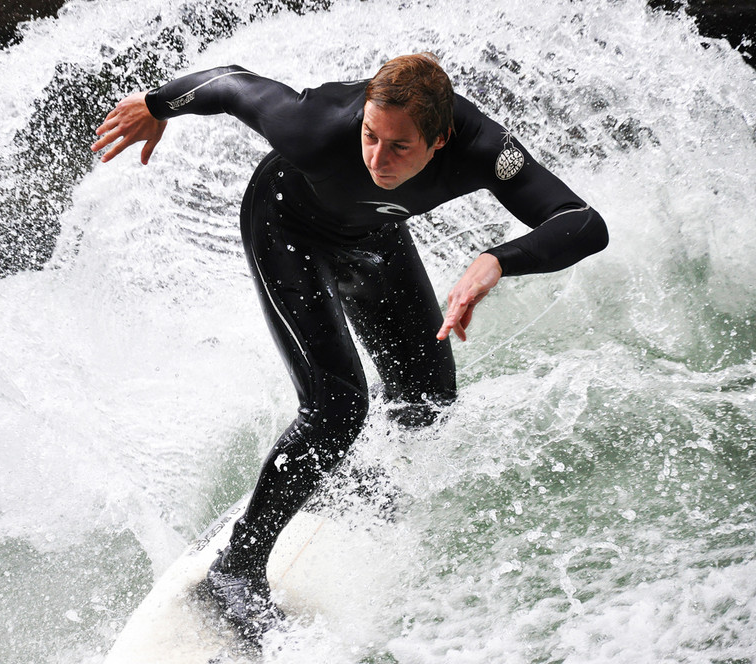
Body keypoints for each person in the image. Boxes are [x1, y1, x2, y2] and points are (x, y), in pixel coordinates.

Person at [91, 54, 608, 640]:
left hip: (372, 234)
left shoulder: (485, 149)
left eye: (399, 147)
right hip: (287, 228)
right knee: (337, 406)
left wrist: (498, 259)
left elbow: (584, 222)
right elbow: (234, 85)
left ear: (440, 140)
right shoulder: (317, 127)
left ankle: (355, 488)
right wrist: (157, 105)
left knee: (427, 395)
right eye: (370, 136)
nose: (377, 159)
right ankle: (235, 570)